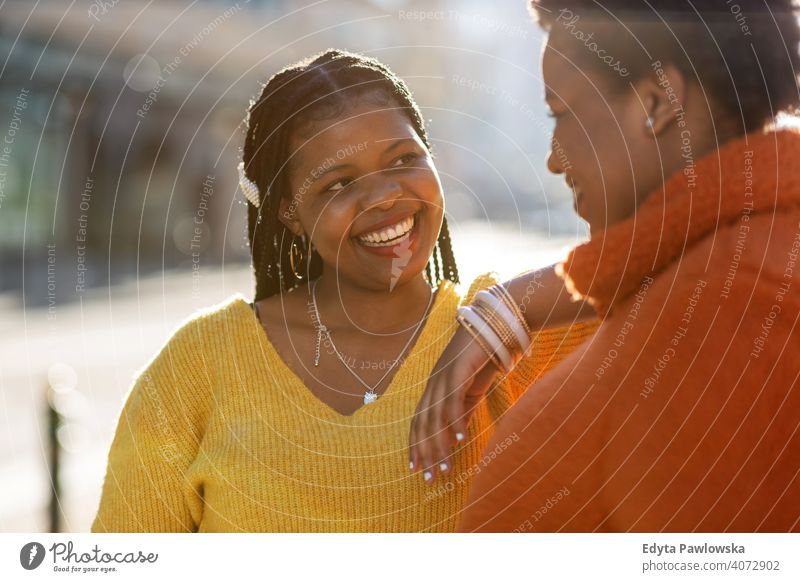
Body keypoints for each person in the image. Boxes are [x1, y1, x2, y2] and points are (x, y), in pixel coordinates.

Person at [91, 49, 598, 532]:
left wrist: (513, 307)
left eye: (403, 160)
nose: (384, 196)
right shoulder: (195, 368)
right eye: (337, 184)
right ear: (289, 210)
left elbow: (673, 273)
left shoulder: (513, 343)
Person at [409, 0, 800, 532]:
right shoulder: (721, 275)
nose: (553, 157)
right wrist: (513, 305)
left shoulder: (735, 311)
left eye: (560, 112)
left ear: (658, 103)